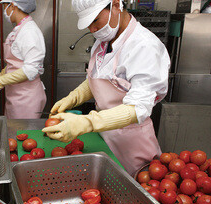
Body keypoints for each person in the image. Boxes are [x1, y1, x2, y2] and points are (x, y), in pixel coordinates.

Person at [42, 0, 170, 175]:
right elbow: (100, 78)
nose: (92, 29)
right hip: (104, 137)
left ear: (116, 5)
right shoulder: (103, 42)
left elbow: (138, 108)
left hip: (131, 145)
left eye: (95, 20)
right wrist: (75, 97)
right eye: (88, 24)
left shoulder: (145, 46)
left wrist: (89, 122)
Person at [0, 0, 46, 119]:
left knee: (23, 135)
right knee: (13, 132)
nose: (4, 11)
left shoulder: (29, 32)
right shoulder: (19, 29)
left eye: (5, 6)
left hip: (27, 98)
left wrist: (0, 82)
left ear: (12, 5)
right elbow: (15, 63)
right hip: (16, 96)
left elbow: (31, 69)